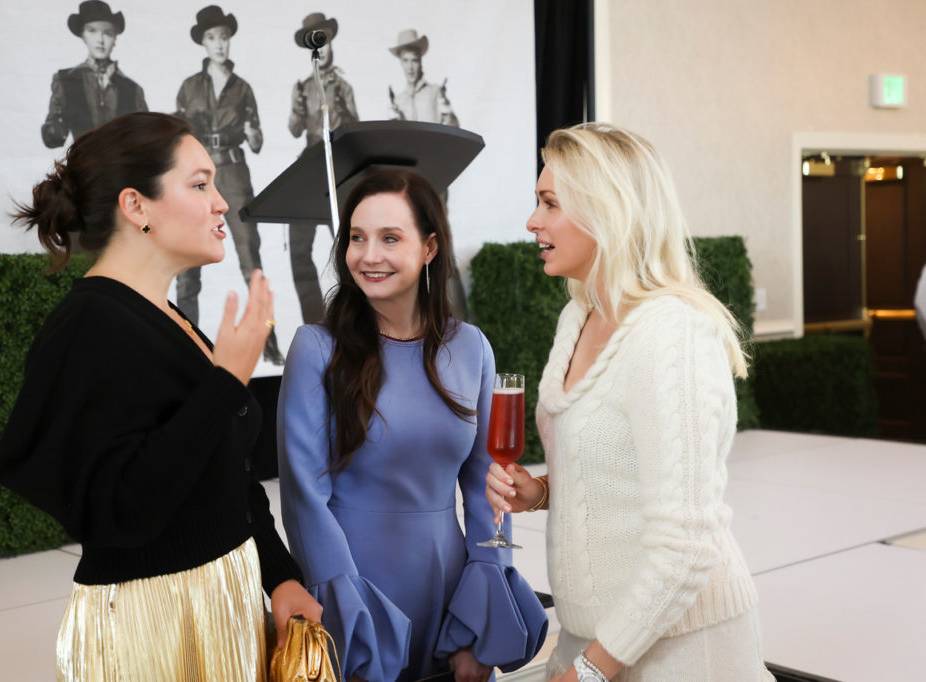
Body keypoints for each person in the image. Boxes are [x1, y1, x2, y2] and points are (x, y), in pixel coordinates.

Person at [0, 112, 321, 681]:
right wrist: (225, 383)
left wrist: (279, 575)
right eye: (199, 185)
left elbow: (225, 479)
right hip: (157, 626)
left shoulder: (167, 318)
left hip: (222, 603)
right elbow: (123, 508)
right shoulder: (89, 327)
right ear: (136, 206)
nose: (221, 203)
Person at [486, 124, 774, 682]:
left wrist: (592, 671)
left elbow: (685, 545)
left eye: (549, 203)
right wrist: (541, 492)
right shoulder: (579, 316)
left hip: (683, 651)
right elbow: (614, 471)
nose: (532, 221)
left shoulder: (674, 333)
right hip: (593, 639)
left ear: (607, 211)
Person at [277, 169, 548, 682]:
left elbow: (491, 484)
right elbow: (303, 499)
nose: (368, 255)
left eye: (389, 238)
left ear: (429, 248)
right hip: (355, 585)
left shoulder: (472, 346)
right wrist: (346, 616)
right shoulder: (315, 349)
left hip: (449, 589)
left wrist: (481, 613)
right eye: (357, 238)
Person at [174, 5, 284, 365]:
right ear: (203, 43)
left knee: (251, 257)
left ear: (229, 41)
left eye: (223, 37)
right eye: (212, 38)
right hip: (197, 178)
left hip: (235, 174)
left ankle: (268, 343)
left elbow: (258, 141)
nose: (219, 44)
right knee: (188, 262)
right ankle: (185, 345)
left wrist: (253, 134)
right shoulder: (189, 87)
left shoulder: (243, 89)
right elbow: (177, 140)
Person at [387, 28, 469, 319]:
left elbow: (455, 130)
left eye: (414, 60)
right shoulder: (398, 97)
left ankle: (458, 324)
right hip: (405, 190)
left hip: (434, 183)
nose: (410, 66)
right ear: (401, 63)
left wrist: (447, 111)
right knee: (412, 252)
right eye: (405, 61)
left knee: (440, 250)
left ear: (421, 61)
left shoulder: (435, 93)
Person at [286, 12, 359, 325]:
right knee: (299, 249)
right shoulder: (303, 86)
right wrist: (298, 107)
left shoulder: (342, 85)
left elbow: (355, 127)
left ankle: (357, 315)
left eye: (325, 38)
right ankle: (316, 321)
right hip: (310, 162)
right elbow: (293, 128)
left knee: (349, 245)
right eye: (316, 39)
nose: (323, 45)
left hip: (337, 163)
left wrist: (340, 112)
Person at [41, 1, 148, 149]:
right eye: (92, 31)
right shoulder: (66, 81)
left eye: (108, 33)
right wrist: (54, 129)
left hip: (122, 170)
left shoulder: (132, 89)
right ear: (83, 36)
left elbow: (146, 142)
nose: (100, 40)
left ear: (115, 39)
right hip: (83, 168)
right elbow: (53, 139)